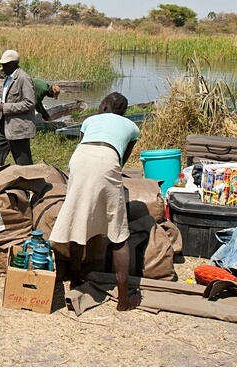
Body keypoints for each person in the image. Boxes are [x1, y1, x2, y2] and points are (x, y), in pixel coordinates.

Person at [49, 92, 142, 311]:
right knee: (119, 234)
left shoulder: (89, 120)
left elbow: (84, 145)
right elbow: (120, 160)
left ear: (104, 106)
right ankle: (123, 301)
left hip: (80, 160)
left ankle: (75, 281)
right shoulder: (132, 127)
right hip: (108, 161)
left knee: (79, 220)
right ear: (123, 112)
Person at [0, 49, 37, 167]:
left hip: (18, 127)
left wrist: (5, 107)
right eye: (2, 65)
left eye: (5, 64)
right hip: (5, 124)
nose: (3, 68)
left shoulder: (23, 78)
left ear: (14, 64)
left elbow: (30, 103)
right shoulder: (8, 78)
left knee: (23, 162)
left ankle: (31, 183)